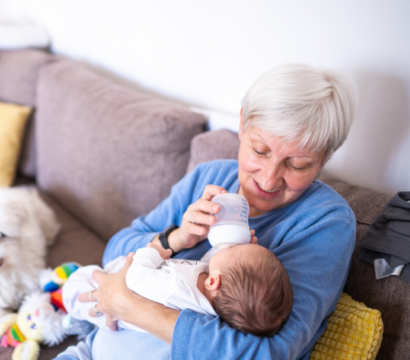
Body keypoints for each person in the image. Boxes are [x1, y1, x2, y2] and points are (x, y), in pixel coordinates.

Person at [54, 63, 357, 360]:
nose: (267, 179)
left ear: (324, 159)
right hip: (92, 349)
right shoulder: (209, 176)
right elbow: (116, 249)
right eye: (259, 150)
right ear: (242, 124)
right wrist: (174, 240)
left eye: (297, 164)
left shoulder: (325, 222)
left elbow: (265, 353)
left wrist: (126, 304)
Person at [62, 238, 293, 340]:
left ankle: (67, 313)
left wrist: (152, 250)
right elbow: (205, 264)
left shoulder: (175, 288)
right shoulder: (212, 296)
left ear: (214, 281)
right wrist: (224, 250)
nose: (235, 246)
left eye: (234, 250)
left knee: (76, 286)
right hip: (120, 293)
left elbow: (135, 279)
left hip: (109, 302)